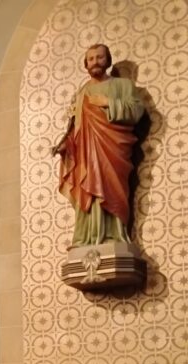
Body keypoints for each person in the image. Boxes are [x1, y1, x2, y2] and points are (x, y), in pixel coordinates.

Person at [53, 43, 145, 247]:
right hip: (86, 154)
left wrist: (108, 102)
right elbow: (76, 128)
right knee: (88, 187)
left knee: (112, 188)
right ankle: (86, 237)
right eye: (91, 58)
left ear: (108, 60)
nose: (95, 62)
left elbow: (137, 111)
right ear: (86, 64)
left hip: (112, 150)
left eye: (100, 57)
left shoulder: (123, 86)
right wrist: (66, 146)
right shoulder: (82, 93)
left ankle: (114, 234)